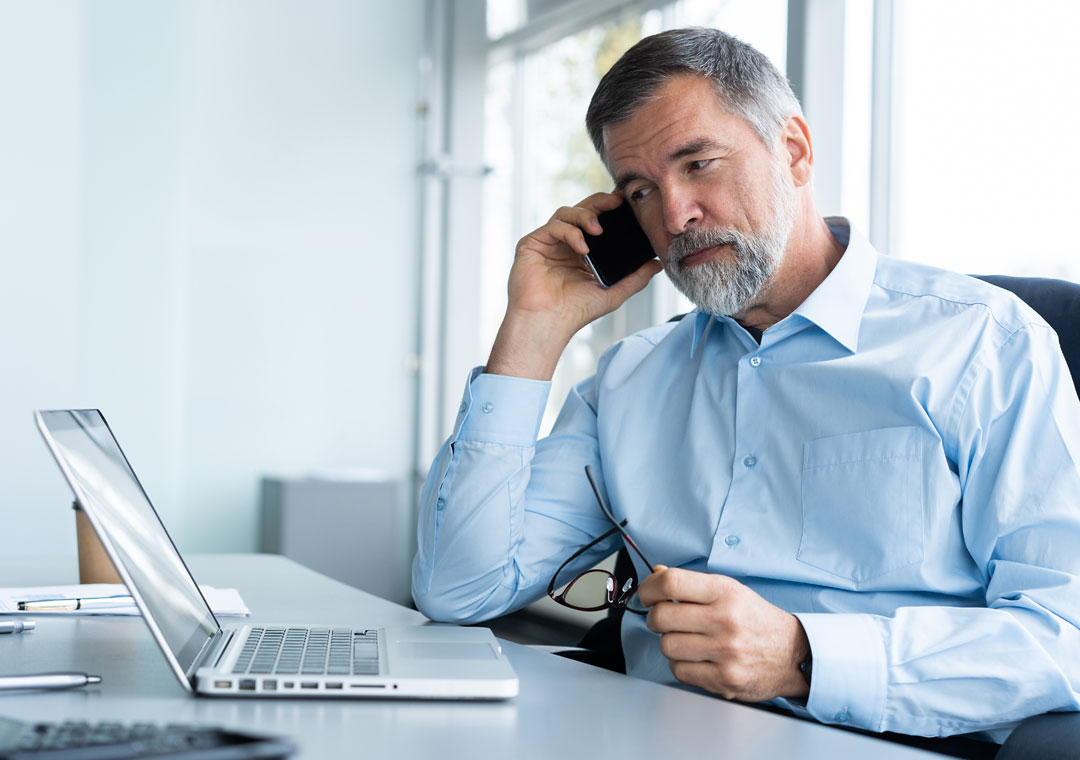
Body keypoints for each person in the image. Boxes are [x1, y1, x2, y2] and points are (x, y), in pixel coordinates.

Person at [411, 27, 1080, 744]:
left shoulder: (984, 345)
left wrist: (802, 657)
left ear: (793, 150)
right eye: (640, 191)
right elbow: (460, 588)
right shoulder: (631, 378)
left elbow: (1064, 633)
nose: (674, 217)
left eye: (698, 164)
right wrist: (532, 331)